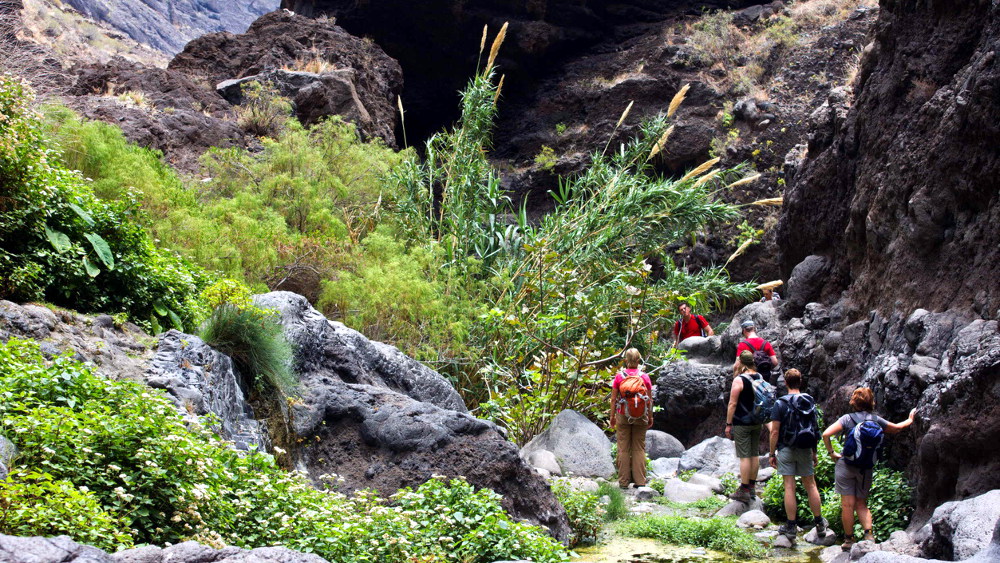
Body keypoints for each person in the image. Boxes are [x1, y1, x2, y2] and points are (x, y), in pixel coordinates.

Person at [822, 387, 916, 551]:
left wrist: (832, 453)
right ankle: (869, 536)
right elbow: (896, 428)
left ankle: (849, 540)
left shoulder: (847, 419)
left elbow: (826, 434)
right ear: (871, 402)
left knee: (847, 505)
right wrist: (910, 419)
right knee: (862, 504)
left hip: (846, 465)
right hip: (866, 467)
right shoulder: (876, 420)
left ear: (854, 402)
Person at [769, 369, 824, 541]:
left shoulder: (781, 403)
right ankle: (820, 524)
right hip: (806, 447)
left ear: (785, 383)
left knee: (789, 487)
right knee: (811, 485)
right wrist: (814, 452)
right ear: (800, 382)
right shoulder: (809, 401)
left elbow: (775, 432)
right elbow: (814, 428)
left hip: (786, 448)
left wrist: (772, 453)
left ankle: (791, 527)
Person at [610, 348, 654, 488]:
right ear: (639, 359)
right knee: (639, 448)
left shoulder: (619, 377)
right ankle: (640, 481)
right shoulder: (644, 377)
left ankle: (623, 482)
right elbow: (649, 400)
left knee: (623, 448)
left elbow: (613, 399)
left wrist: (612, 417)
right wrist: (650, 416)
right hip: (641, 415)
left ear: (626, 360)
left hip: (623, 414)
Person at [725, 350, 765, 502]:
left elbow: (733, 403)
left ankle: (744, 489)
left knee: (744, 456)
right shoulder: (759, 377)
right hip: (757, 421)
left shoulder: (739, 380)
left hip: (742, 421)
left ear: (741, 362)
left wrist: (729, 424)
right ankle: (752, 487)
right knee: (754, 454)